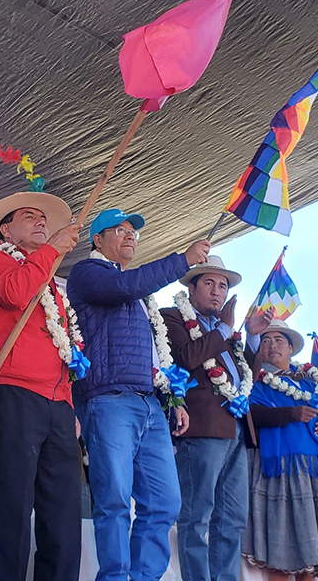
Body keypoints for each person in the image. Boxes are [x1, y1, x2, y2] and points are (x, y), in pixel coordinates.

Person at [66, 208, 210, 581]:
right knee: (114, 499)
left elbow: (153, 352)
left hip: (149, 403)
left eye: (133, 232)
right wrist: (183, 260)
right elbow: (125, 288)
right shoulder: (88, 273)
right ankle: (114, 577)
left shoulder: (136, 290)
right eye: (120, 230)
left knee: (165, 502)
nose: (130, 236)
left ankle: (143, 577)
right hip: (109, 399)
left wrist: (172, 400)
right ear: (97, 240)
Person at [0, 191, 82, 580]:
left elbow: (62, 347)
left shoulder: (50, 281)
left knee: (64, 509)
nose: (40, 222)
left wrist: (67, 401)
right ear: (6, 229)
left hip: (56, 401)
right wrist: (50, 251)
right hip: (11, 391)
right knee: (12, 506)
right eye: (29, 216)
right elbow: (15, 292)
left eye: (43, 219)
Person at [160, 259, 272, 581]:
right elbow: (187, 357)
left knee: (233, 518)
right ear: (191, 288)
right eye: (209, 284)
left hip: (236, 427)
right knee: (197, 516)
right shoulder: (173, 317)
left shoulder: (221, 332)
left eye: (223, 286)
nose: (217, 291)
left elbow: (242, 378)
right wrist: (225, 328)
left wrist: (250, 338)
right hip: (202, 427)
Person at [244, 319, 318, 581]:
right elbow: (251, 413)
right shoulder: (255, 382)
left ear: (292, 349)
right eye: (266, 340)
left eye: (279, 340)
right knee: (279, 553)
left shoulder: (311, 382)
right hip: (278, 471)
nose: (272, 346)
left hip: (316, 472)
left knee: (310, 554)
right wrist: (291, 413)